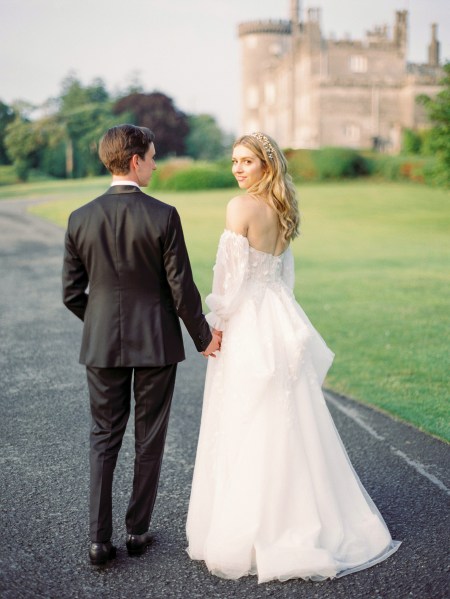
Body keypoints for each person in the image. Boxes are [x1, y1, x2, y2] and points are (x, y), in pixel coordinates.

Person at [186, 132, 400, 583]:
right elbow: (284, 276)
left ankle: (256, 524)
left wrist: (215, 325)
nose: (238, 169)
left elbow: (229, 280)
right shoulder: (284, 210)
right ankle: (304, 513)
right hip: (280, 320)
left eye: (246, 161)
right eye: (234, 162)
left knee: (245, 415)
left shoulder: (239, 208)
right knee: (291, 417)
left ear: (267, 164)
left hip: (248, 323)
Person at [62, 124, 220, 566]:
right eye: (151, 157)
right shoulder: (163, 214)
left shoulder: (80, 217)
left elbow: (72, 294)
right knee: (148, 439)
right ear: (135, 161)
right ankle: (136, 532)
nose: (154, 164)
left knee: (103, 437)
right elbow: (181, 289)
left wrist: (98, 325)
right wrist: (204, 338)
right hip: (156, 343)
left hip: (101, 347)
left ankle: (98, 541)